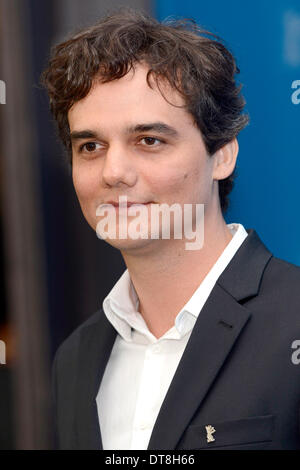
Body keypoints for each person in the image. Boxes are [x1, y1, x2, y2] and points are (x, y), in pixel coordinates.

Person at [42, 9, 300, 450]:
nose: (114, 171)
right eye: (90, 146)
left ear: (222, 155)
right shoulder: (75, 359)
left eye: (149, 140)